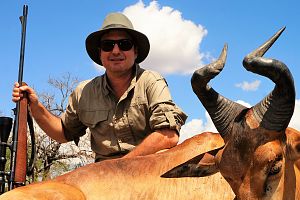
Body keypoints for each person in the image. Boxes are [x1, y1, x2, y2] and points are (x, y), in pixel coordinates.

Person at [12, 12, 187, 162]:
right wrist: (35, 106)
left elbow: (168, 136)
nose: (116, 51)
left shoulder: (151, 81)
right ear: (100, 54)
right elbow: (62, 133)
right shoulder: (84, 91)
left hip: (148, 170)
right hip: (101, 179)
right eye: (108, 45)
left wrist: (121, 167)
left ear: (135, 52)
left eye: (124, 44)